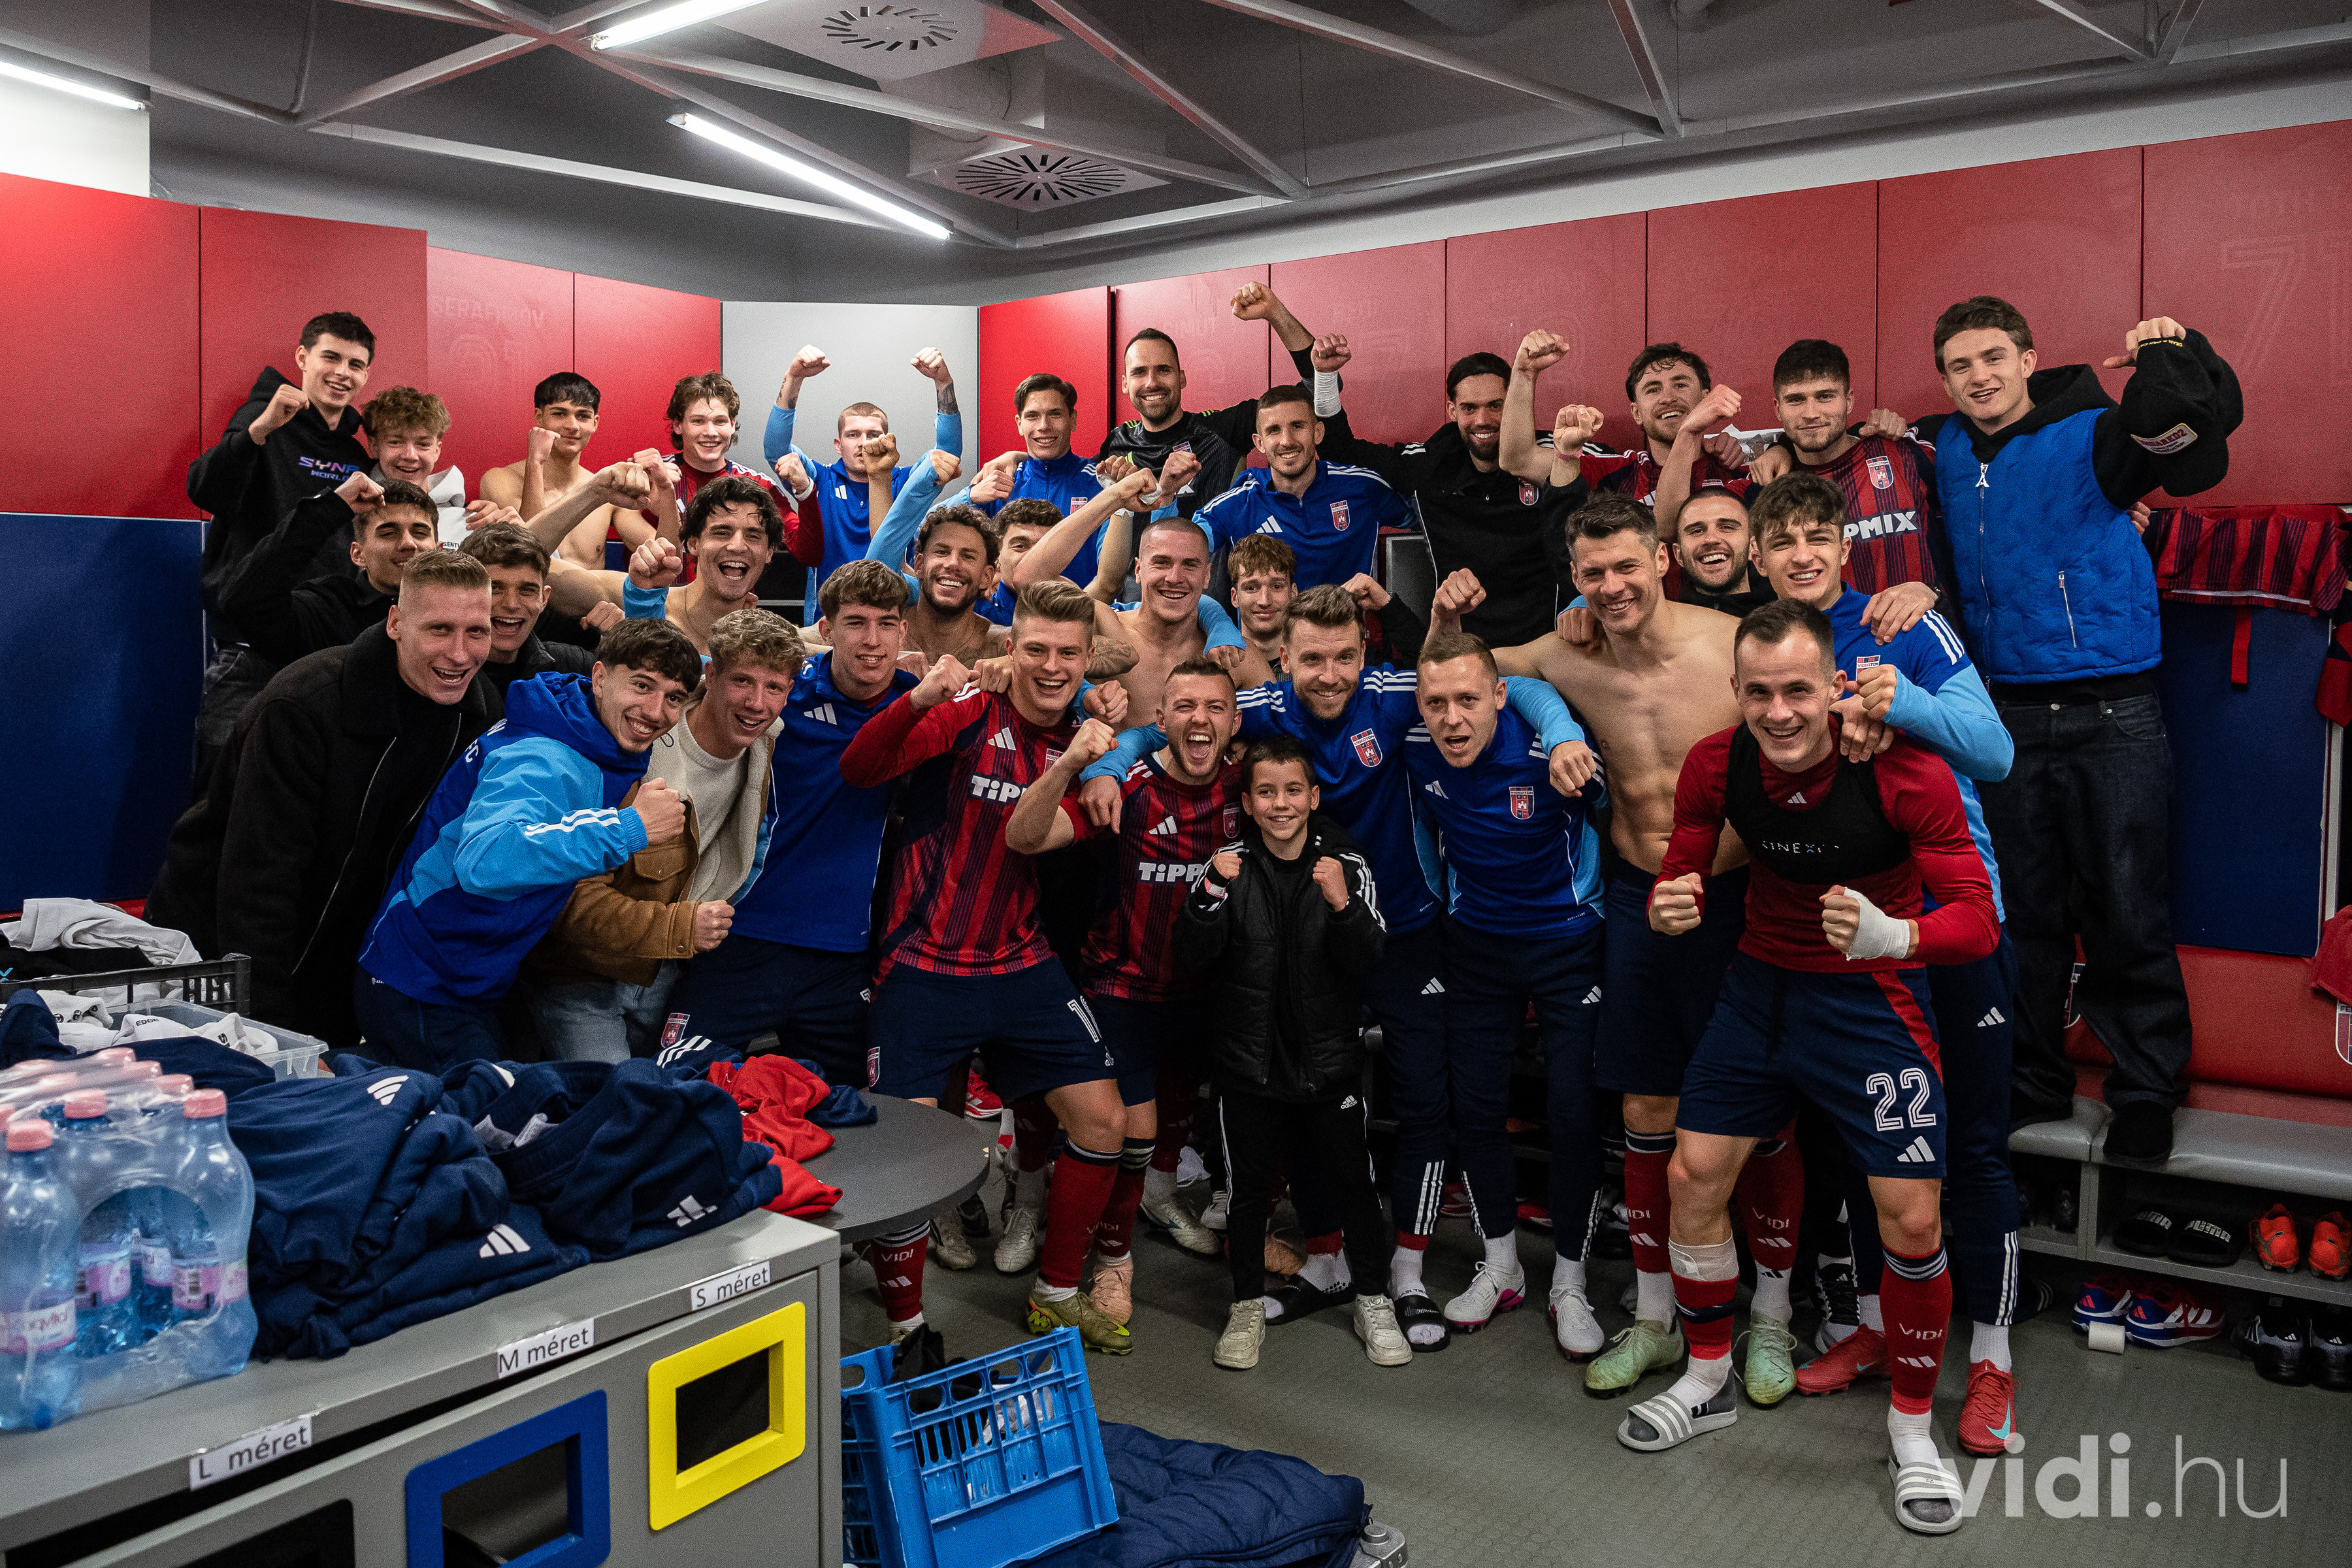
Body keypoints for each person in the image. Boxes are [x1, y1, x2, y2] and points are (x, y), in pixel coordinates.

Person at [1083, 584, 1585, 1350]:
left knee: (1425, 1104)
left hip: (1409, 932)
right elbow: (1171, 728)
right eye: (1311, 659)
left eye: (1344, 657)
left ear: (1365, 653)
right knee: (1302, 1096)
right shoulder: (1263, 707)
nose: (1328, 675)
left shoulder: (1395, 696)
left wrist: (1563, 728)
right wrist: (1108, 767)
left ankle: (1406, 1273)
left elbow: (1511, 687)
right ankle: (1325, 1260)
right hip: (1306, 943)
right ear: (1285, 656)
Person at [1630, 598, 1998, 1540]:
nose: (1779, 712)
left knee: (1912, 1219)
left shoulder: (1903, 768)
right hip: (1760, 992)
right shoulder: (1717, 762)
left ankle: (1912, 1430)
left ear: (1834, 684)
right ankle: (1707, 1377)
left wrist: (1896, 934)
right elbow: (1683, 859)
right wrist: (1671, 898)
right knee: (1692, 1177)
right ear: (1735, 690)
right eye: (1759, 693)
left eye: (1798, 690)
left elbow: (1978, 917)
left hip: (1872, 1001)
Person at [1431, 494, 1795, 1404]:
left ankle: (1774, 1315)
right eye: (1592, 574)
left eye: (1627, 566)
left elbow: (1807, 709)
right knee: (1644, 1102)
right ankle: (1657, 1314)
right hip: (1637, 896)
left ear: (1662, 559)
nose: (1612, 586)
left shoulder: (1731, 643)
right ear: (1574, 578)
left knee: (1763, 1112)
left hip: (1739, 897)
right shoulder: (1568, 652)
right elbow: (1476, 671)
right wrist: (1455, 627)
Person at [1741, 472, 2026, 1456]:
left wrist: (1903, 701)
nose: (1803, 556)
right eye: (1784, 542)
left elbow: (1993, 751)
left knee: (1974, 1149)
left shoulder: (1900, 624)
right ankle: (1872, 1325)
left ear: (1845, 546)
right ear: (1759, 558)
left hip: (1955, 916)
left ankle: (1992, 1362)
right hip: (1857, 929)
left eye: (1819, 537)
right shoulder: (1767, 648)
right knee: (1874, 1143)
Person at [1926, 299, 2240, 1162]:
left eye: (1994, 357)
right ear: (1944, 380)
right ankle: (2032, 1079)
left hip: (2113, 711)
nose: (1980, 377)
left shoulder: (2100, 434)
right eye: (1960, 365)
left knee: (2127, 906)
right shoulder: (1940, 447)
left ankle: (2146, 1092)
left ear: (2029, 359)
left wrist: (2178, 351)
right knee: (2020, 913)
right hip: (2003, 718)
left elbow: (2198, 437)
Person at [837, 580, 1137, 1356]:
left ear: (1087, 661)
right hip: (923, 961)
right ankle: (906, 1328)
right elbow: (862, 767)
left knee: (1103, 1120)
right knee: (901, 1148)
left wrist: (1090, 760)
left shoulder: (1092, 749)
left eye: (1067, 654)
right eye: (1035, 649)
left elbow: (1028, 839)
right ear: (1011, 648)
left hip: (1021, 962)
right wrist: (919, 699)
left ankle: (1056, 1294)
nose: (1051, 666)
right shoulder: (972, 710)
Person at [146, 549, 498, 1049]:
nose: (460, 655)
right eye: (440, 629)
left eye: (476, 632)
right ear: (395, 623)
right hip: (217, 951)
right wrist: (271, 1032)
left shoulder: (479, 715)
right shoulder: (303, 706)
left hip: (338, 957)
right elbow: (257, 884)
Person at [1004, 657, 1245, 1324]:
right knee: (1133, 1132)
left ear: (1235, 721)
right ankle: (1114, 1260)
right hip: (1122, 985)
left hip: (1205, 989)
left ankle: (1160, 1205)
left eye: (1216, 707)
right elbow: (1029, 838)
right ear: (1160, 718)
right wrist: (1090, 773)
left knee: (1176, 1114)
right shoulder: (1127, 784)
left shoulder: (1247, 788)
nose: (1201, 719)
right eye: (1185, 707)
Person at [354, 619, 704, 1071]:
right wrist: (628, 828)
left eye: (674, 698)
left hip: (471, 976)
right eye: (642, 685)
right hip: (424, 980)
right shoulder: (543, 754)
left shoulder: (583, 730)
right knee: (482, 1110)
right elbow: (485, 861)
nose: (655, 711)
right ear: (599, 678)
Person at [1170, 733, 1409, 1371]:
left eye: (1293, 791)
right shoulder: (1226, 865)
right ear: (1249, 802)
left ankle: (1373, 1298)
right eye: (1267, 793)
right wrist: (1209, 894)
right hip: (1248, 1066)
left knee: (1355, 1186)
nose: (1281, 804)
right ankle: (1246, 1306)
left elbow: (1369, 959)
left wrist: (1342, 904)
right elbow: (1190, 956)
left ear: (1314, 796)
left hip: (1329, 1063)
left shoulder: (1346, 865)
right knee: (1248, 1194)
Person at [1403, 629, 1608, 1356]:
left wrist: (1561, 730)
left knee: (1574, 1112)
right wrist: (1446, 907)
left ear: (1498, 696)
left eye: (1468, 699)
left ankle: (1571, 1282)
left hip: (1568, 943)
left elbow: (1606, 825)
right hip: (1477, 947)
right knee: (1477, 1107)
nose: (1452, 719)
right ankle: (1502, 1265)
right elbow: (1424, 837)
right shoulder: (1417, 750)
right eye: (1435, 703)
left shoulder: (1550, 749)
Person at [521, 610, 798, 1062]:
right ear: (711, 675)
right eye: (742, 681)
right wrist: (681, 927)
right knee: (616, 1095)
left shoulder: (766, 744)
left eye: (774, 688)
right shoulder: (636, 740)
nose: (757, 703)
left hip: (665, 968)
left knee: (660, 1092)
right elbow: (568, 897)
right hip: (580, 969)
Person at [186, 310, 378, 780]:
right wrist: (259, 430)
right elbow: (206, 491)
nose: (342, 373)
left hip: (325, 647)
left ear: (366, 375)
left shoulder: (355, 455)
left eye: (355, 364)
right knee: (223, 789)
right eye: (331, 357)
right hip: (250, 647)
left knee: (301, 791)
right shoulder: (263, 422)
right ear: (302, 358)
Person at [1315, 334, 1592, 645]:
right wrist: (1325, 377)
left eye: (1495, 406)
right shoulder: (1428, 463)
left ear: (1515, 403)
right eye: (1469, 408)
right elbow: (1339, 450)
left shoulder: (1554, 454)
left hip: (1548, 647)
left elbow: (1610, 481)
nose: (1483, 420)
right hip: (1460, 654)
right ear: (1452, 411)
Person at [1098, 281, 1322, 514]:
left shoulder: (1222, 429)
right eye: (1139, 372)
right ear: (1125, 384)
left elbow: (1317, 390)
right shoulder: (1117, 442)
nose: (1151, 383)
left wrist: (1275, 312)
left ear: (1182, 378)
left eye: (1163, 370)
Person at [766, 346, 962, 588]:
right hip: (828, 608)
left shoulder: (904, 481)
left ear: (888, 440)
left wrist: (944, 383)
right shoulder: (821, 479)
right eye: (853, 435)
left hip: (892, 604)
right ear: (838, 445)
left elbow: (947, 457)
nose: (863, 443)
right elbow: (776, 451)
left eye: (873, 434)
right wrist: (794, 378)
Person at [1194, 385, 1412, 592]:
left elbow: (1425, 517)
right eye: (1274, 431)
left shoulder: (1362, 488)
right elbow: (1182, 548)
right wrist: (1171, 494)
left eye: (1297, 426)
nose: (1287, 441)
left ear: (1318, 433)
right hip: (1269, 622)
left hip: (1343, 620)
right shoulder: (1238, 504)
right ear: (1259, 443)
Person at [212, 474, 442, 668]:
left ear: (439, 551)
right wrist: (330, 508)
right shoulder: (325, 611)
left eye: (420, 533)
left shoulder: (455, 610)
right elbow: (245, 601)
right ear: (358, 554)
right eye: (388, 533)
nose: (408, 543)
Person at [545, 475, 784, 657]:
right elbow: (534, 567)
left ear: (769, 553)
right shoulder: (635, 597)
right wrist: (593, 492)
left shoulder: (772, 646)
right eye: (722, 532)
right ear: (693, 544)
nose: (738, 546)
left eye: (754, 536)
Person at [481, 372, 640, 568]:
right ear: (539, 417)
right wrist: (536, 463)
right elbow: (530, 554)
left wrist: (665, 491)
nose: (572, 426)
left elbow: (665, 555)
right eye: (559, 414)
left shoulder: (607, 491)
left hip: (588, 590)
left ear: (595, 423)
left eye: (583, 416)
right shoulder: (499, 480)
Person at [453, 524, 598, 700]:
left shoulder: (575, 665)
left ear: (544, 599)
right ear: (462, 594)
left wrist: (615, 643)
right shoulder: (439, 672)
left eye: (527, 590)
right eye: (495, 588)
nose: (511, 604)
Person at [362, 385, 471, 542]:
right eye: (396, 442)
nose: (410, 456)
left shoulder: (472, 522)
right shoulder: (348, 511)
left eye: (423, 444)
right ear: (374, 447)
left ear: (437, 451)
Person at [1226, 534, 1298, 679]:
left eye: (1277, 587)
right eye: (1252, 588)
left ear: (1294, 594)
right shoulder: (1218, 667)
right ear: (1235, 597)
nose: (1265, 601)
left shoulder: (1313, 664)